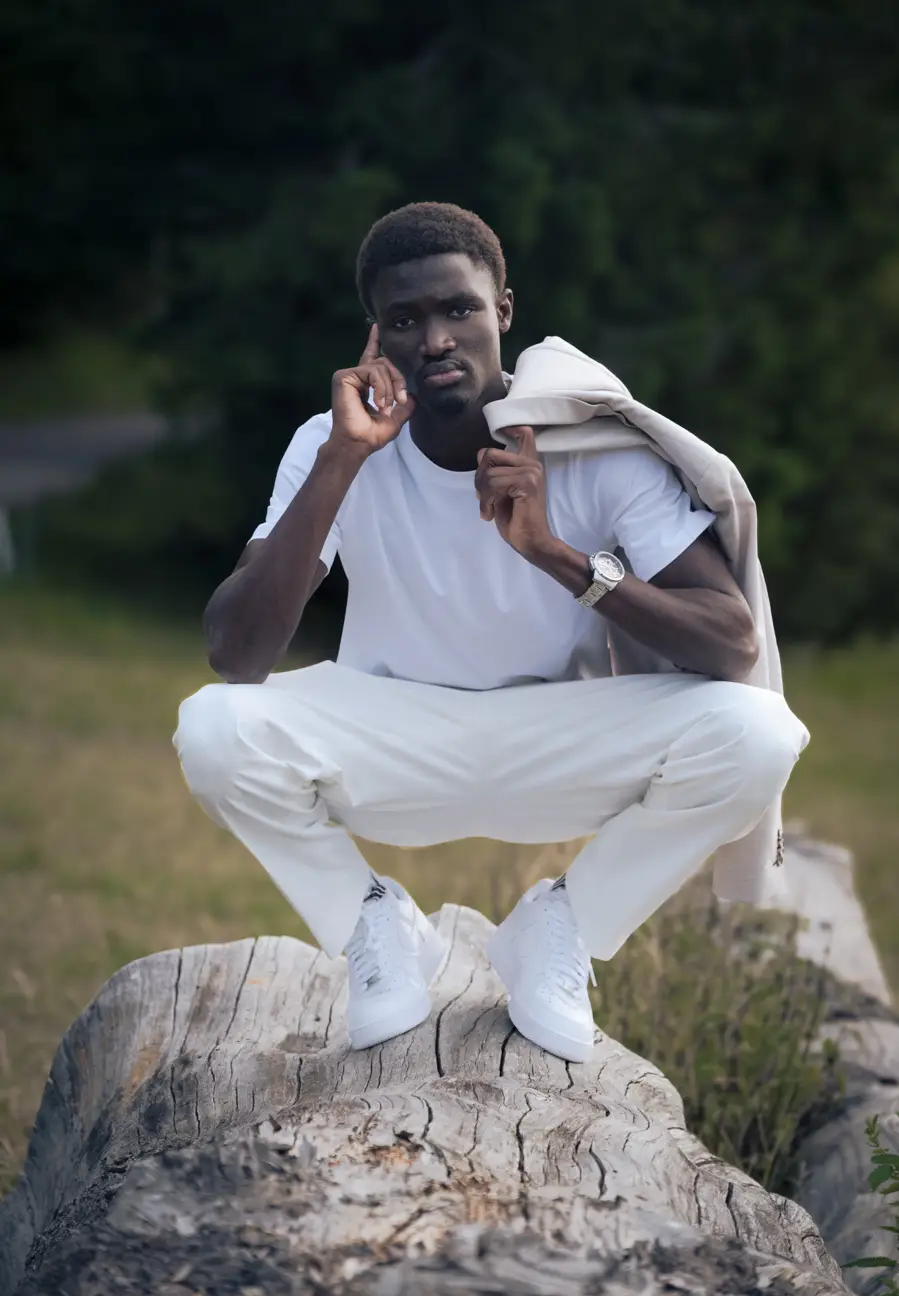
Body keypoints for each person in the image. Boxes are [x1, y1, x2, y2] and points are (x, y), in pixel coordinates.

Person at [174, 202, 808, 1063]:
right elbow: (236, 652)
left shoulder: (595, 448)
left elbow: (731, 641)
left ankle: (561, 931)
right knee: (212, 727)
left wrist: (554, 552)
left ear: (501, 312)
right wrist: (342, 462)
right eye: (405, 319)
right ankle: (373, 926)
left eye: (458, 310)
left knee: (759, 731)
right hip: (389, 737)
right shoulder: (329, 447)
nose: (435, 338)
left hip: (554, 741)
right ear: (377, 338)